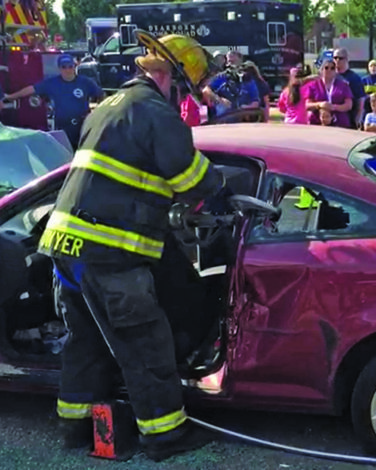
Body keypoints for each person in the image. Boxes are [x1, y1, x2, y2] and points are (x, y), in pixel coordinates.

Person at [37, 31, 225, 460]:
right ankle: (164, 437)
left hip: (66, 248)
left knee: (84, 341)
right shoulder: (157, 114)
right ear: (172, 80)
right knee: (145, 342)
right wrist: (222, 190)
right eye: (184, 90)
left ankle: (75, 428)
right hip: (110, 251)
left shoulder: (107, 107)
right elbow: (192, 181)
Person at [3, 54, 103, 149]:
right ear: (59, 68)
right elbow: (31, 89)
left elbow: (101, 95)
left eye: (70, 66)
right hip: (63, 126)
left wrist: (98, 113)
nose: (68, 70)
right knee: (65, 154)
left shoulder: (85, 82)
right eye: (64, 67)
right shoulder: (53, 83)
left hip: (83, 125)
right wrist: (11, 97)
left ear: (74, 66)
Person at [304, 58, 353, 127]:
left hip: (340, 123)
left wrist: (333, 107)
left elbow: (349, 105)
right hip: (317, 122)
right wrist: (320, 105)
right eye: (326, 68)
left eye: (332, 68)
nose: (329, 70)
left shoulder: (343, 85)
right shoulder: (313, 85)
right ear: (321, 70)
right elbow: (307, 105)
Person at [334, 48, 365, 129]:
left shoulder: (354, 78)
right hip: (333, 119)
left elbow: (361, 98)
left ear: (347, 59)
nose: (337, 60)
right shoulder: (331, 76)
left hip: (349, 118)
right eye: (335, 58)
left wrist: (359, 116)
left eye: (340, 58)